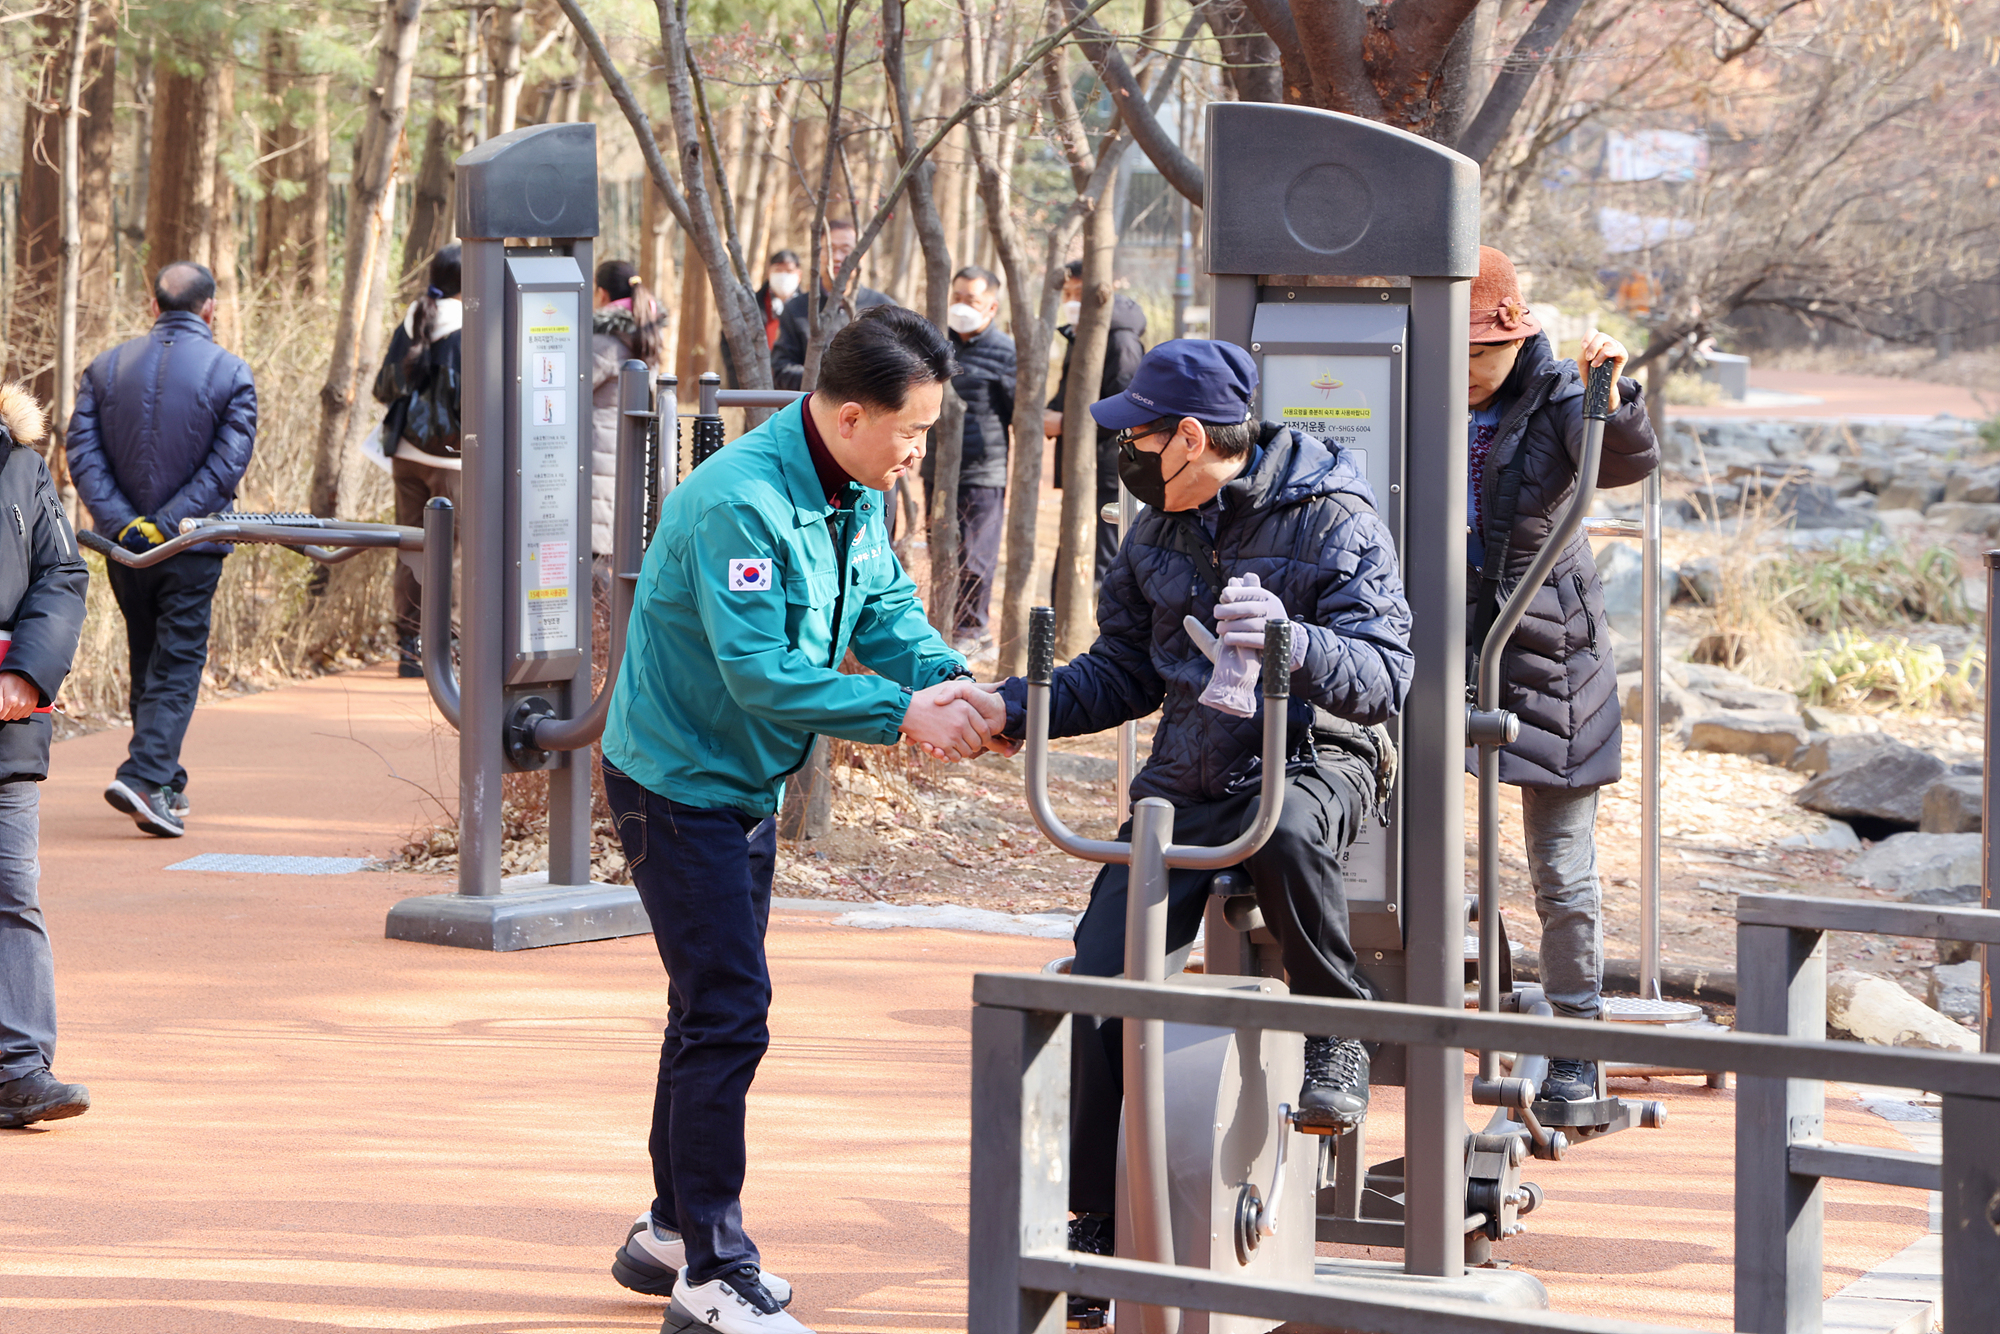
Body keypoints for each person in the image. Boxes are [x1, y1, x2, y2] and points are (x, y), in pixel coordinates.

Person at [600, 305, 1008, 1334]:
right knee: (729, 1009)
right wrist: (900, 713)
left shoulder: (848, 489)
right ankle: (710, 1270)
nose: (916, 454)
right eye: (909, 432)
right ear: (851, 412)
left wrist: (954, 684)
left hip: (736, 782)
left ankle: (666, 1228)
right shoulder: (741, 500)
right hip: (677, 782)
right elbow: (759, 673)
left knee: (707, 1007)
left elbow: (878, 612)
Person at [986, 339, 1413, 1278]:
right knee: (1103, 969)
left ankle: (1336, 1028)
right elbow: (1125, 669)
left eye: (1134, 436)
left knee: (1292, 831)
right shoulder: (1155, 532)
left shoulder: (1333, 518)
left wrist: (1293, 644)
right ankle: (1094, 1210)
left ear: (1188, 438)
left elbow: (1387, 677)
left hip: (1312, 752)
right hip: (1193, 766)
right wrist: (1021, 705)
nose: (1124, 455)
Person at [1462, 245, 1658, 1102]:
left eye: (1483, 352)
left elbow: (1624, 459)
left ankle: (1577, 1038)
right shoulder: (1408, 389)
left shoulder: (1558, 397)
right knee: (1417, 848)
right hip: (1443, 649)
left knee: (1561, 865)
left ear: (1519, 335)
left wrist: (1615, 393)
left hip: (1548, 660)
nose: (1467, 370)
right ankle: (1462, 1006)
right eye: (1454, 349)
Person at [67, 261, 256, 838]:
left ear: (154, 307)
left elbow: (82, 451)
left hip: (124, 548)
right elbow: (228, 464)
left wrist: (126, 524)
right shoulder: (232, 373)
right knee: (175, 661)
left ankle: (163, 776)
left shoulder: (104, 368)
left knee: (147, 653)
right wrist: (171, 523)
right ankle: (147, 778)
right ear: (210, 309)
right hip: (191, 544)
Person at [0, 384, 90, 1130]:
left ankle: (20, 1070)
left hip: (7, 725)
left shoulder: (22, 469)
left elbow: (61, 577)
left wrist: (26, 671)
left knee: (11, 889)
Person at [372, 244, 463, 676]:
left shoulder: (415, 316)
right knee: (461, 553)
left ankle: (410, 648)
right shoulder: (473, 324)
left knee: (412, 549)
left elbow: (384, 386)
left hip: (406, 453)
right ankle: (452, 650)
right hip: (455, 460)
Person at [921, 265, 1015, 656]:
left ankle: (973, 631)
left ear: (991, 307)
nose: (962, 306)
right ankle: (944, 624)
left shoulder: (1006, 351)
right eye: (956, 297)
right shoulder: (933, 345)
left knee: (976, 557)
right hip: (938, 468)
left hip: (984, 470)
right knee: (941, 549)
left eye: (971, 300)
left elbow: (1017, 413)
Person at [1043, 259, 1147, 582]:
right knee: (1074, 555)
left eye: (1080, 292)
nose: (1073, 301)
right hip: (1083, 465)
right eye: (1068, 293)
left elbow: (1127, 410)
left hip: (1108, 471)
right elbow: (1069, 395)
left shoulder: (1120, 342)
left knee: (1101, 562)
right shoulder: (1080, 335)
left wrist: (1067, 424)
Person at [591, 258, 667, 587]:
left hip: (597, 458)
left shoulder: (604, 343)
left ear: (601, 293)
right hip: (628, 455)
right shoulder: (644, 335)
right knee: (614, 555)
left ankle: (602, 634)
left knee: (595, 562)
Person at [769, 220, 896, 390]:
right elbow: (782, 368)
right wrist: (830, 383)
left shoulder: (884, 308)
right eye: (829, 249)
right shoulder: (796, 309)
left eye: (845, 250)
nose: (836, 257)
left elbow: (897, 366)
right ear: (818, 254)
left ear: (861, 256)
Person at [756, 250, 800, 348]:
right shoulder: (752, 304)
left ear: (799, 275)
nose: (783, 276)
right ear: (769, 273)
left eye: (789, 271)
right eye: (778, 270)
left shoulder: (808, 308)